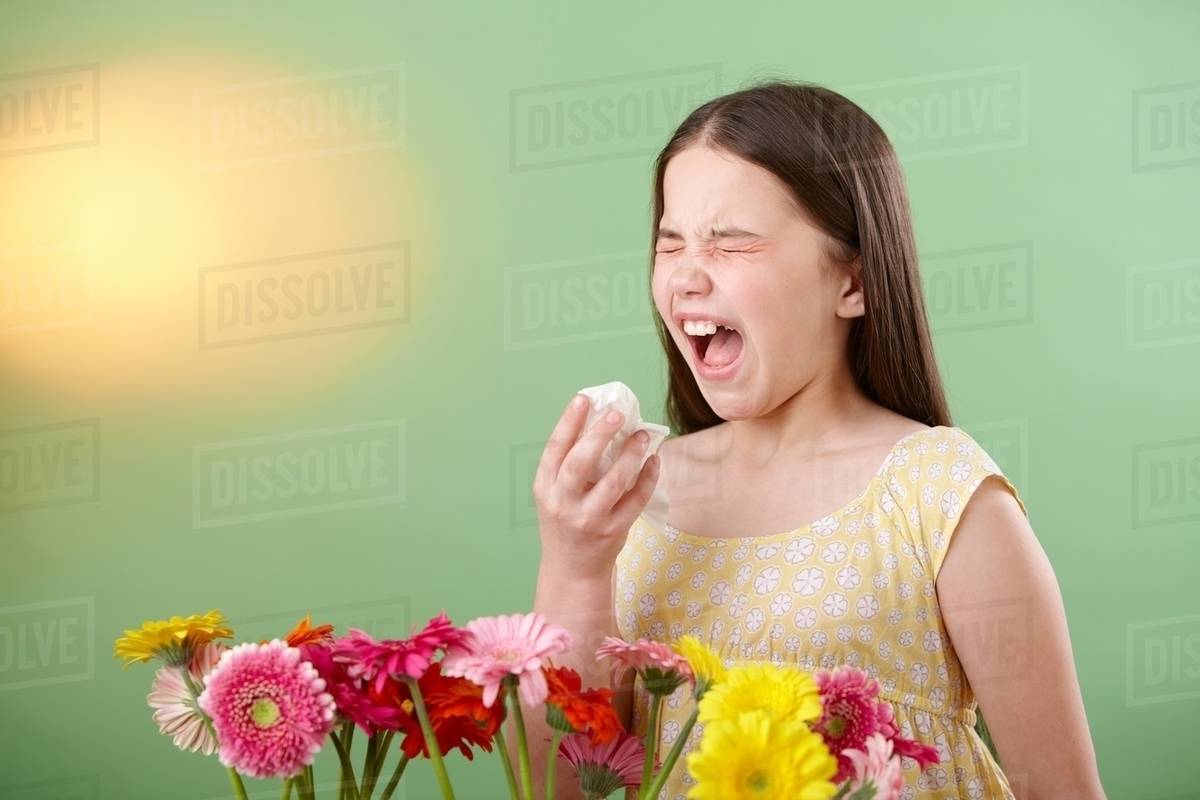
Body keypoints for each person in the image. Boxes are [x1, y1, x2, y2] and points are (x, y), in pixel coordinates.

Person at [528, 80, 1106, 799]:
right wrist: (575, 564)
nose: (686, 276)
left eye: (733, 242)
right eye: (670, 243)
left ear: (853, 282)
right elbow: (564, 786)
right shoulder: (635, 500)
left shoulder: (938, 495)